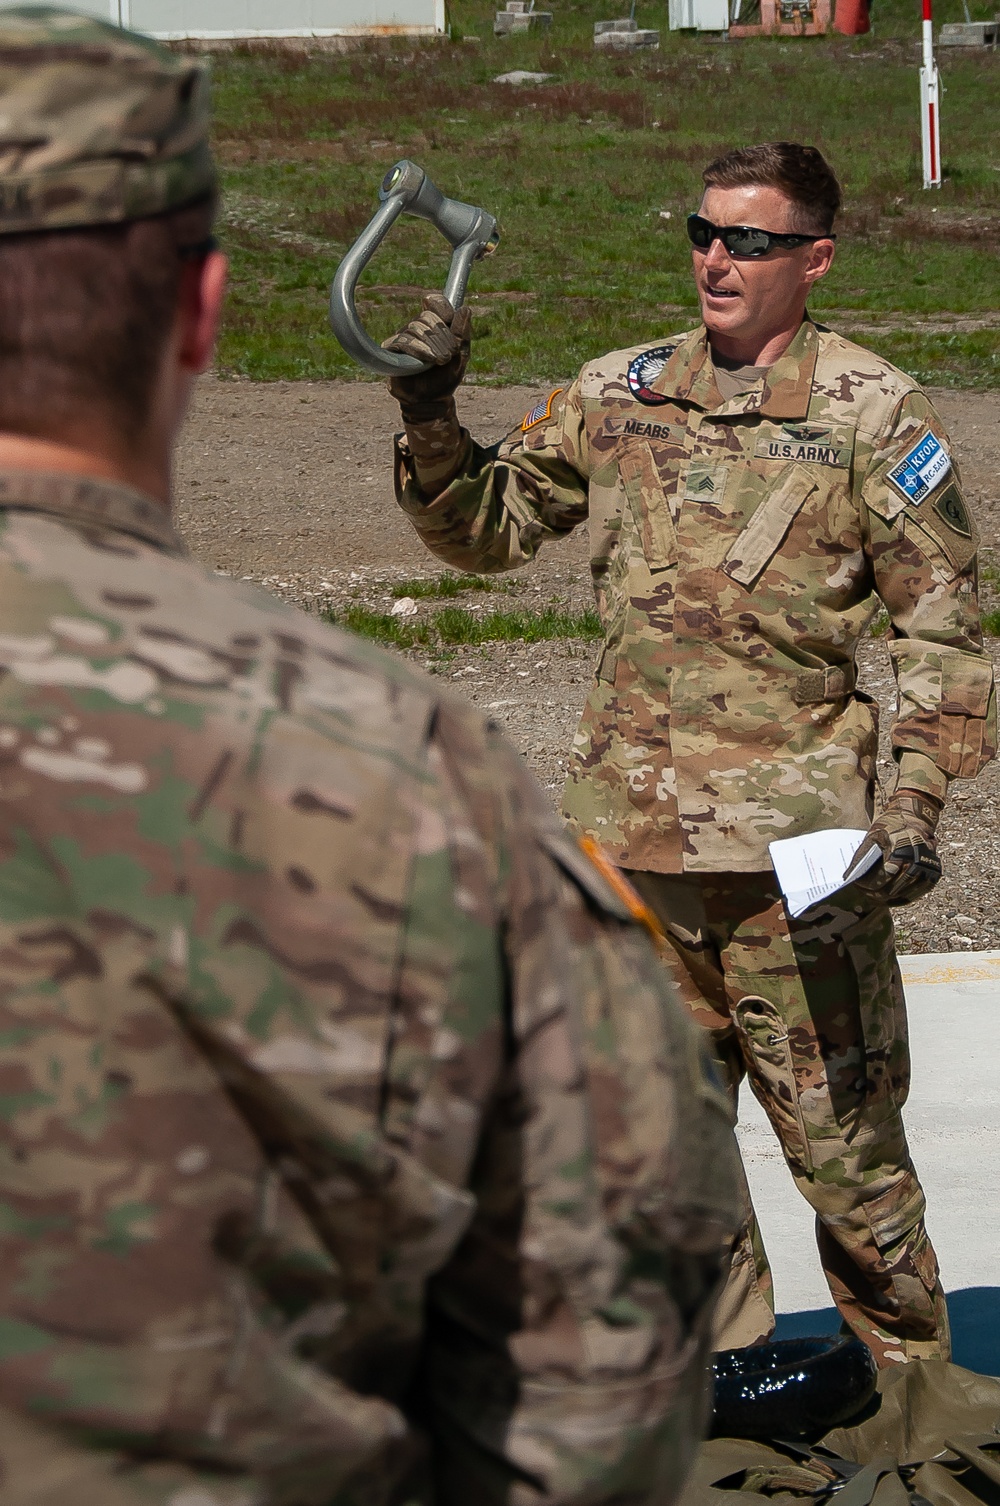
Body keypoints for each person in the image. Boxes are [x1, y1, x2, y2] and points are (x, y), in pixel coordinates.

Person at [0, 9, 742, 1505]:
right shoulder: (400, 781)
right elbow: (594, 1375)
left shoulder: (869, 407)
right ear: (202, 312)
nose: (718, 258)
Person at [386, 141, 997, 1368]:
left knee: (849, 1165)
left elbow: (943, 631)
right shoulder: (617, 392)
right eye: (704, 233)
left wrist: (919, 809)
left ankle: (922, 1417)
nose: (718, 259)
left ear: (813, 261)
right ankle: (730, 1403)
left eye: (752, 241)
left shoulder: (872, 412)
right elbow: (486, 535)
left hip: (801, 869)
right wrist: (428, 414)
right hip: (630, 855)